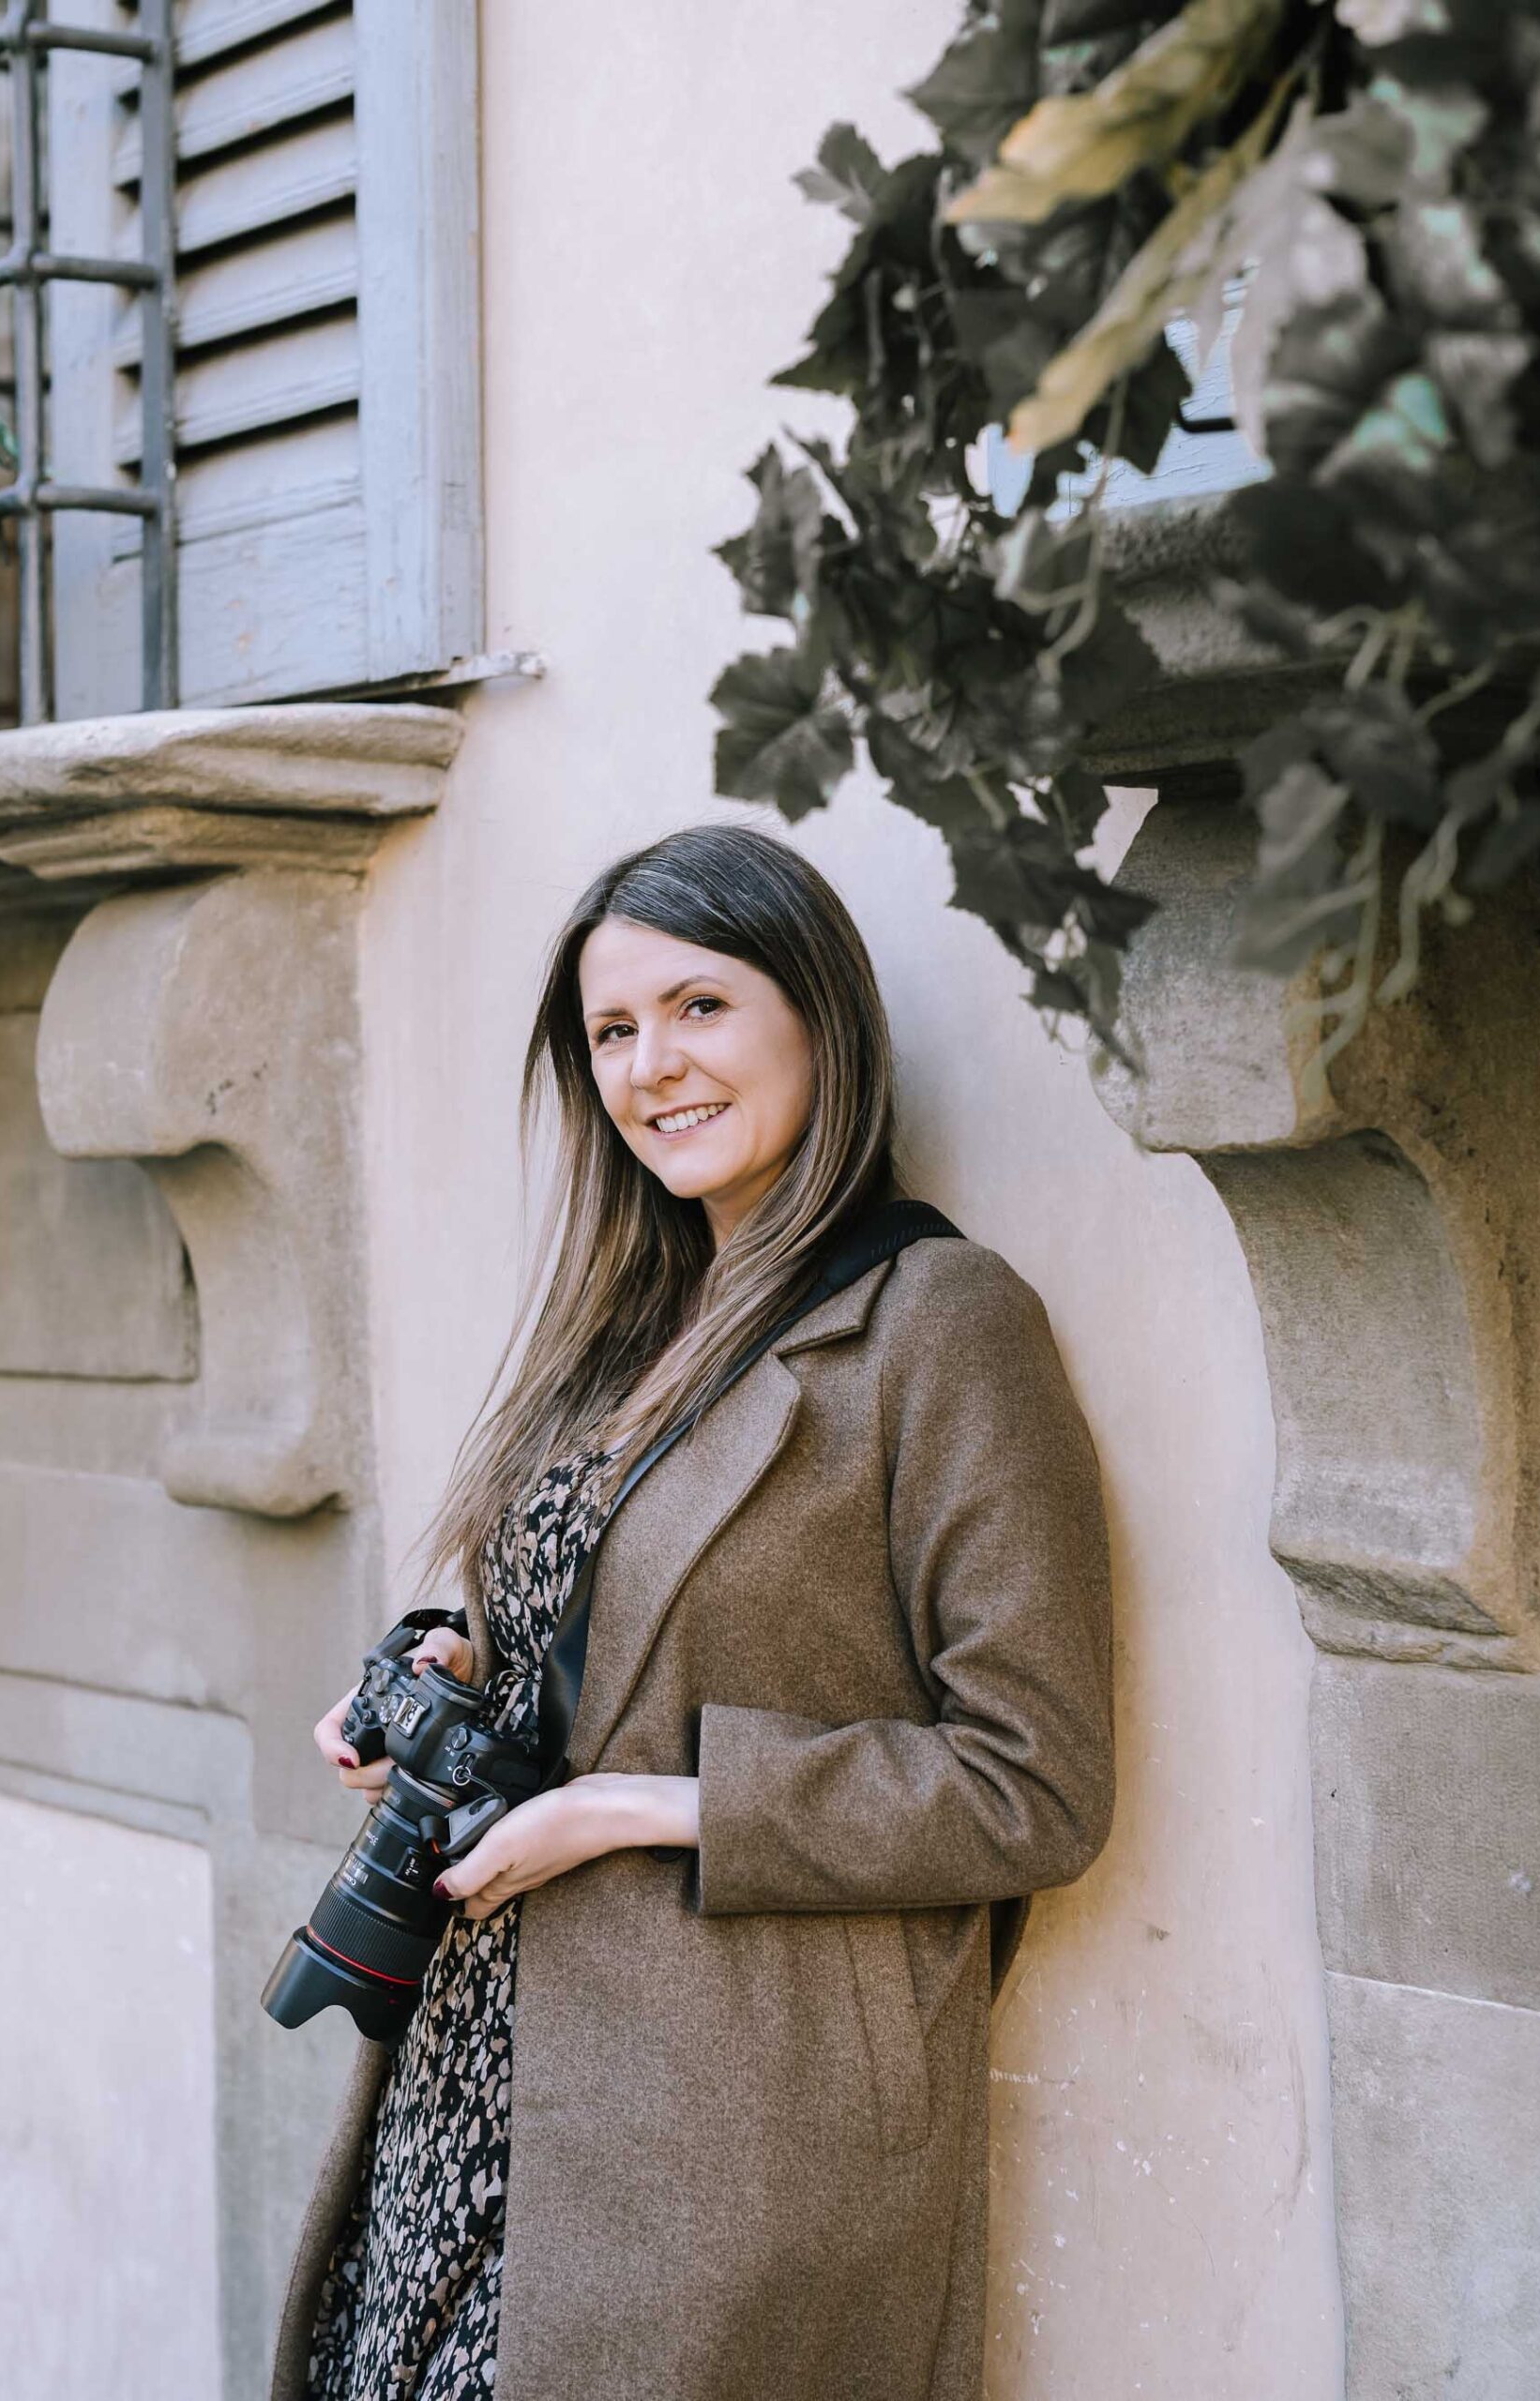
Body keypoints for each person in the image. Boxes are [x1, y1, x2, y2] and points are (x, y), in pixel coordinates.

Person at [271, 822, 1114, 2401]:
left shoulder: (940, 1323)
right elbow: (590, 1632)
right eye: (611, 1030)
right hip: (471, 2072)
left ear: (820, 1014)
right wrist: (438, 1675)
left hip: (728, 2127)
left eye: (700, 1007)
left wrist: (640, 1808)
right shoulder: (625, 1323)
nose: (652, 1065)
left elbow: (1036, 1784)